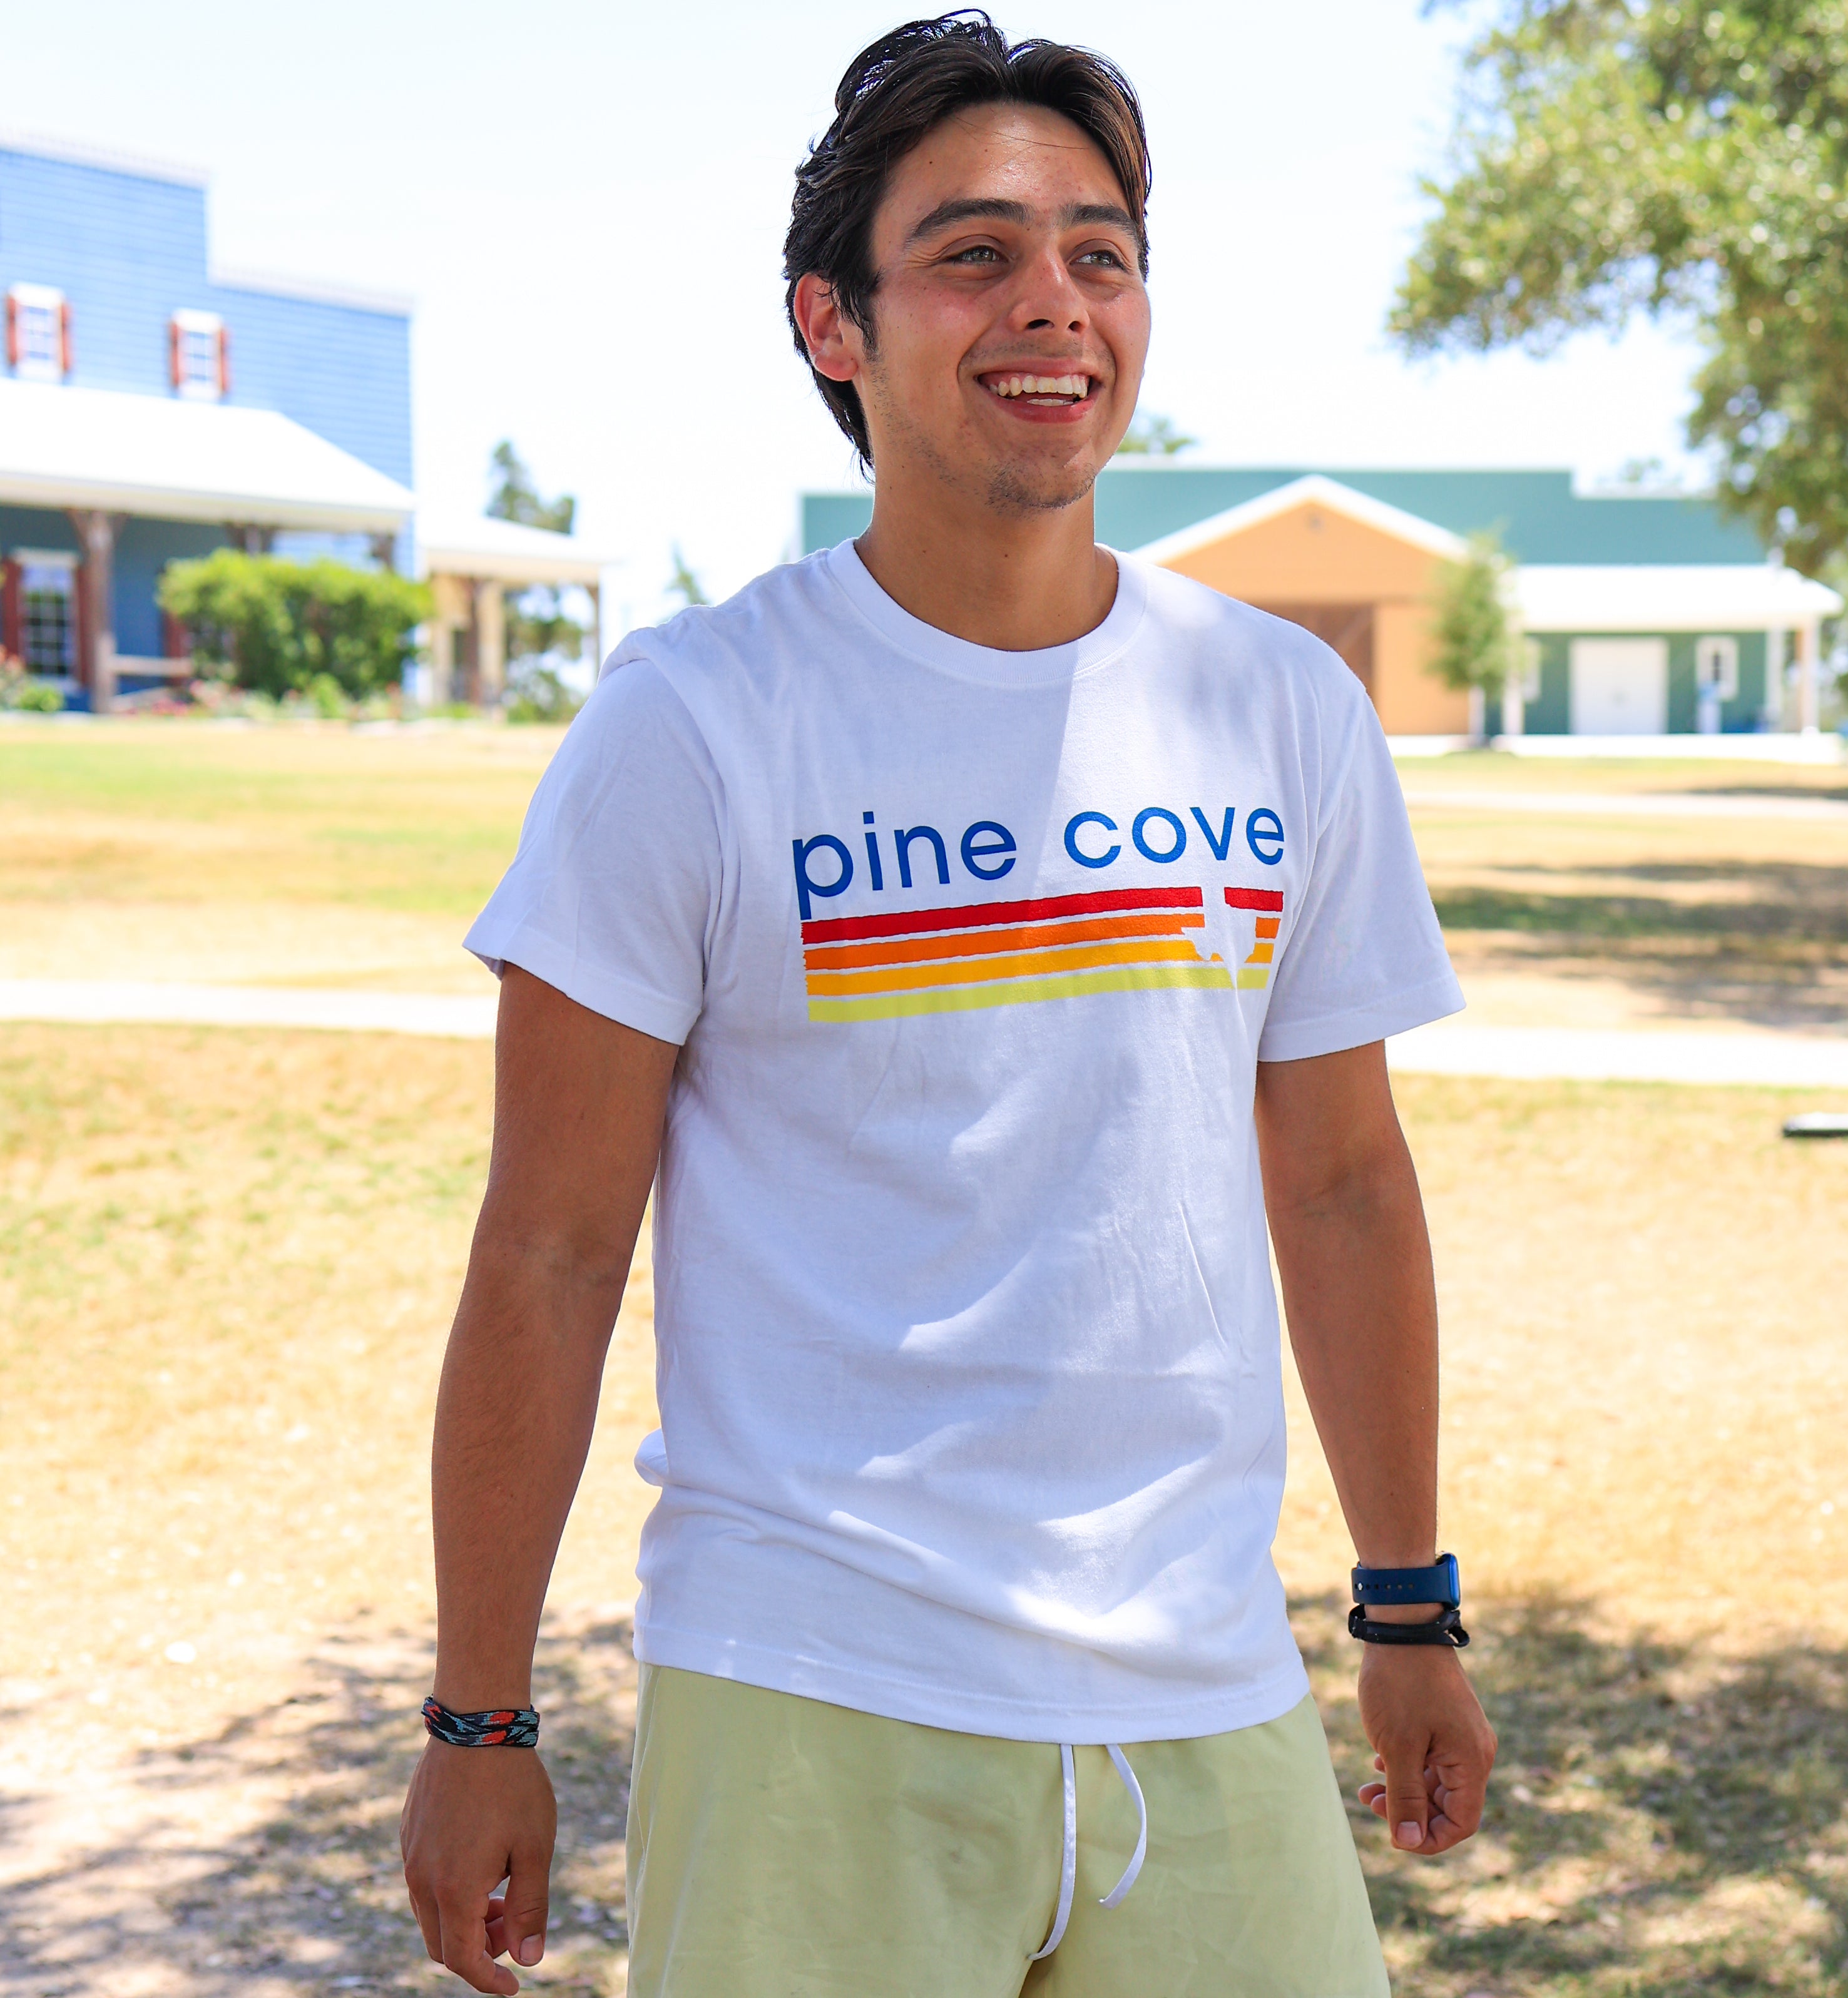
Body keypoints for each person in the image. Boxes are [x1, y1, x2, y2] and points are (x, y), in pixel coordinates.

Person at [400, 14, 1495, 1995]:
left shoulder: (1278, 709)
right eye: (973, 253)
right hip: (820, 1679)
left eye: (1100, 249)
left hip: (1202, 1678)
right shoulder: (697, 722)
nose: (1051, 306)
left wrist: (1406, 1601)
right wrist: (479, 1721)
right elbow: (550, 1247)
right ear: (833, 323)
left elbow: (1339, 1182)